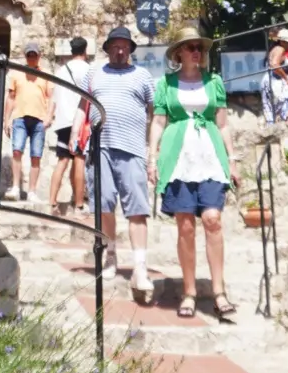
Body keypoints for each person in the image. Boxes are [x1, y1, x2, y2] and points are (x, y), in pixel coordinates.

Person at [148, 27, 240, 322]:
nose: (196, 51)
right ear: (178, 54)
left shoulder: (214, 82)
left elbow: (223, 123)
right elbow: (158, 122)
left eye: (199, 47)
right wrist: (152, 158)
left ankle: (219, 291)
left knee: (212, 219)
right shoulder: (165, 83)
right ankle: (189, 291)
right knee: (185, 225)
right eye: (190, 47)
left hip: (210, 156)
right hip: (178, 158)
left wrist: (233, 160)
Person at [78, 26, 156, 302]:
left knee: (137, 209)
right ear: (108, 48)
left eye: (125, 46)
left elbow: (155, 112)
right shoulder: (94, 73)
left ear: (130, 49)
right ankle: (110, 255)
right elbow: (83, 105)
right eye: (115, 46)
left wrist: (152, 150)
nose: (120, 50)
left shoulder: (143, 76)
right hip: (100, 148)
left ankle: (140, 266)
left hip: (133, 148)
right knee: (103, 204)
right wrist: (78, 133)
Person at [3, 42, 55, 203]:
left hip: (39, 120)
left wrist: (49, 117)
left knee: (36, 156)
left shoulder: (46, 74)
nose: (32, 58)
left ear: (39, 56)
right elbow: (10, 98)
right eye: (29, 55)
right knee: (17, 151)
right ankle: (16, 188)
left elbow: (52, 97)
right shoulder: (17, 74)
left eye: (34, 55)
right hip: (20, 117)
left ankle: (32, 191)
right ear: (26, 56)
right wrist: (6, 120)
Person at [49, 35, 89, 217]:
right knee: (79, 159)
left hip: (62, 121)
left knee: (62, 161)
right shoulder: (88, 70)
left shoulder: (60, 71)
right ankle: (79, 205)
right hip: (78, 122)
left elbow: (54, 98)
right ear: (85, 51)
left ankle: (51, 203)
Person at [260, 28, 288, 127]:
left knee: (271, 107)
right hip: (275, 81)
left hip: (268, 80)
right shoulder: (280, 49)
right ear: (282, 41)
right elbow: (274, 65)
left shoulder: (274, 49)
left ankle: (272, 127)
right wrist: (286, 78)